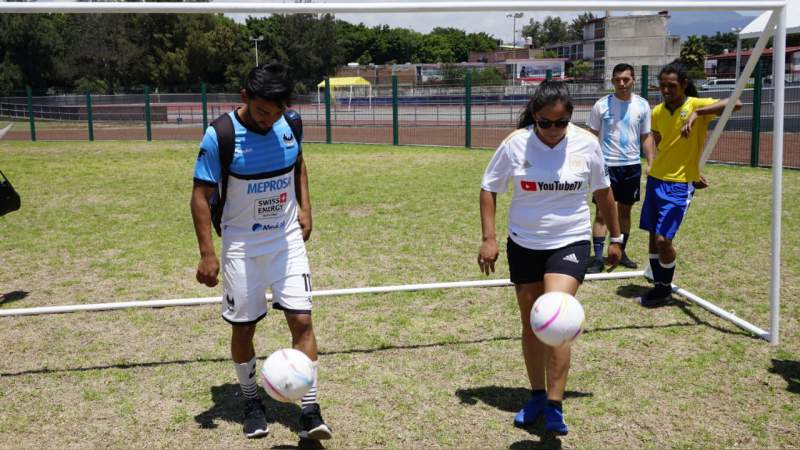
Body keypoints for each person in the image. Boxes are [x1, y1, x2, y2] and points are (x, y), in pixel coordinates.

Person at [190, 63, 332, 441]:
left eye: (276, 112)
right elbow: (200, 197)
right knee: (245, 326)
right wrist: (208, 253)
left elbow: (298, 163)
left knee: (302, 321)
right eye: (261, 112)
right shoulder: (219, 135)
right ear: (245, 98)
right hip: (241, 244)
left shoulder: (291, 124)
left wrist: (306, 208)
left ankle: (310, 409)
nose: (269, 121)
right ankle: (252, 401)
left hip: (285, 239)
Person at [478, 81, 622, 435]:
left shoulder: (586, 144)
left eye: (561, 123)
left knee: (557, 315)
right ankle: (537, 395)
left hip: (569, 241)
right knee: (531, 323)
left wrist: (616, 237)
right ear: (535, 118)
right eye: (546, 123)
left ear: (570, 119)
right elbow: (489, 187)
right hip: (524, 242)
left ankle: (556, 406)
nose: (554, 130)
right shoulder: (516, 144)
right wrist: (489, 238)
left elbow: (603, 192)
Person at [638, 59, 742, 307]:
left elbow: (736, 103)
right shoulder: (658, 112)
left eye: (671, 86)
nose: (666, 90)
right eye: (662, 86)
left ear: (683, 84)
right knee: (653, 236)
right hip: (655, 181)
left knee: (664, 240)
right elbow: (657, 140)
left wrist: (699, 113)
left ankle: (664, 288)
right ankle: (658, 284)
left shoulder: (696, 104)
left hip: (679, 184)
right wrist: (651, 162)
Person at [586, 63, 656, 273]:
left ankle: (621, 251)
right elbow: (591, 136)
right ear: (613, 81)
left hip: (631, 167)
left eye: (626, 79)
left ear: (633, 79)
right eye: (617, 80)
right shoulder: (601, 105)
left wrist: (651, 161)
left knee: (625, 212)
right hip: (606, 166)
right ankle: (598, 258)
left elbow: (646, 136)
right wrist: (590, 163)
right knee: (601, 213)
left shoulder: (643, 106)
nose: (622, 83)